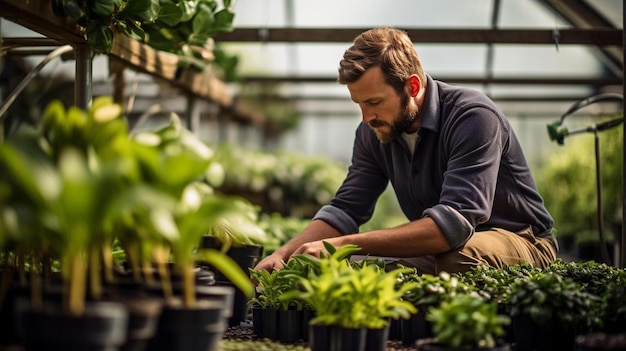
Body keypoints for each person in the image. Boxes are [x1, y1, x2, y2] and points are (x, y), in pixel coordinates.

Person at [254, 27, 558, 275]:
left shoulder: (473, 117)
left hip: (522, 241)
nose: (365, 117)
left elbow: (452, 227)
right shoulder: (374, 131)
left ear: (412, 86)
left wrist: (342, 243)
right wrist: (284, 253)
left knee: (457, 260)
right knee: (355, 270)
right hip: (444, 247)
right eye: (359, 104)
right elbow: (346, 209)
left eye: (373, 102)